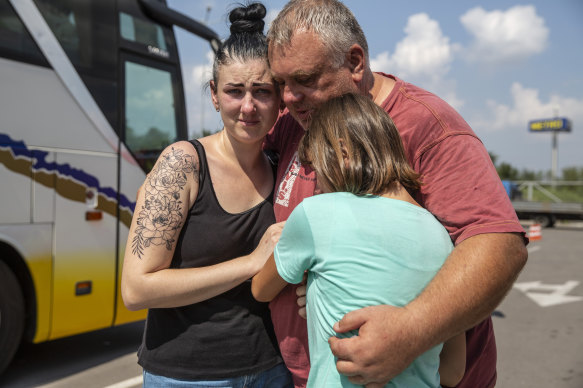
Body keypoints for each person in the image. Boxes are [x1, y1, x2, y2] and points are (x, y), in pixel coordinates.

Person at [263, 1, 528, 387]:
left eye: (304, 79)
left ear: (355, 62)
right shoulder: (297, 120)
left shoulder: (428, 127)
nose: (288, 98)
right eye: (280, 83)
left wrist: (410, 330)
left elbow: (499, 244)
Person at [121, 3, 293, 387]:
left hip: (273, 370)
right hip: (187, 376)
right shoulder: (182, 164)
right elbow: (136, 289)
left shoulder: (283, 164)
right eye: (234, 91)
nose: (248, 106)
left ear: (280, 98)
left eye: (262, 91)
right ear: (214, 95)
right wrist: (251, 263)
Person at [252, 93, 466, 388]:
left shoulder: (316, 214)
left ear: (342, 153)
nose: (317, 185)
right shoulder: (443, 238)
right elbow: (454, 372)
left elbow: (261, 289)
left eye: (317, 171)